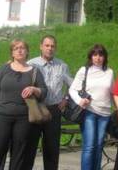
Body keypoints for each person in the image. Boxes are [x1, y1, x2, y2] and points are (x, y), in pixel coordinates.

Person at [0, 39, 47, 170]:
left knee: (20, 153)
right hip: (2, 116)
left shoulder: (35, 71)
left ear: (27, 52)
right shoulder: (3, 69)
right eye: (16, 48)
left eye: (22, 48)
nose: (19, 50)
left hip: (24, 118)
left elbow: (44, 91)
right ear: (12, 53)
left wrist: (34, 89)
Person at [28, 35, 73, 170]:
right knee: (30, 146)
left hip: (54, 110)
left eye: (52, 46)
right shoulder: (31, 64)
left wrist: (66, 99)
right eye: (47, 45)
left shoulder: (62, 66)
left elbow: (74, 85)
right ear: (41, 46)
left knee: (52, 149)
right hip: (36, 109)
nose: (50, 48)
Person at [69, 44, 114, 170]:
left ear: (104, 57)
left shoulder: (109, 72)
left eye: (101, 55)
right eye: (95, 55)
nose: (98, 58)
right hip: (89, 112)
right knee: (89, 146)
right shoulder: (84, 70)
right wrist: (80, 100)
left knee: (99, 146)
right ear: (91, 57)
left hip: (104, 114)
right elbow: (72, 89)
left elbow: (112, 92)